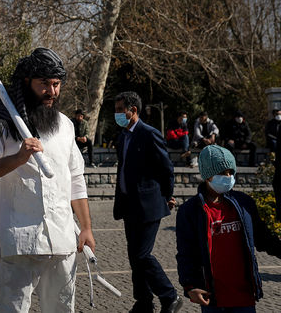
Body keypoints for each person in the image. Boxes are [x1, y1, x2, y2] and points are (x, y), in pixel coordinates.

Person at [0, 48, 95, 313]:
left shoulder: (66, 125)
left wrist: (86, 227)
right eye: (44, 84)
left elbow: (76, 179)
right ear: (27, 83)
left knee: (62, 308)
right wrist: (18, 158)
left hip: (62, 239)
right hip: (19, 240)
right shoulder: (1, 125)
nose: (52, 92)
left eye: (56, 84)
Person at [176, 145, 281, 312]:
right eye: (222, 173)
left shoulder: (244, 203)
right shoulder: (190, 211)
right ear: (207, 175)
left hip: (244, 295)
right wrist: (190, 287)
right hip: (213, 298)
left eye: (231, 172)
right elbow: (186, 253)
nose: (228, 177)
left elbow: (263, 238)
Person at [113, 91, 182, 313]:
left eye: (119, 109)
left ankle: (170, 296)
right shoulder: (123, 136)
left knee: (143, 254)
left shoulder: (149, 134)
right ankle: (143, 301)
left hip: (148, 205)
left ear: (133, 110)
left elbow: (166, 169)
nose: (116, 114)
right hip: (128, 205)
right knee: (135, 257)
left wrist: (167, 195)